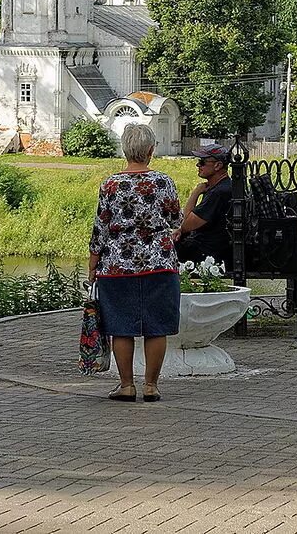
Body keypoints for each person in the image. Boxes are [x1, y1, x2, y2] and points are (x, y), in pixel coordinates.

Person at [87, 123, 183, 402]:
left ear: (125, 149)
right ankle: (151, 386)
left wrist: (93, 263)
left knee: (121, 326)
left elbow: (100, 227)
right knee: (156, 326)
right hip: (159, 263)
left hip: (117, 264)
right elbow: (175, 220)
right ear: (151, 150)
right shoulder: (163, 182)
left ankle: (126, 385)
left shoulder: (110, 184)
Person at [173, 143, 234, 266]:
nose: (198, 165)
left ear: (218, 165)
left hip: (206, 252)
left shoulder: (218, 193)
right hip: (210, 246)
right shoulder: (221, 187)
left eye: (202, 162)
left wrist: (196, 192)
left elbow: (186, 223)